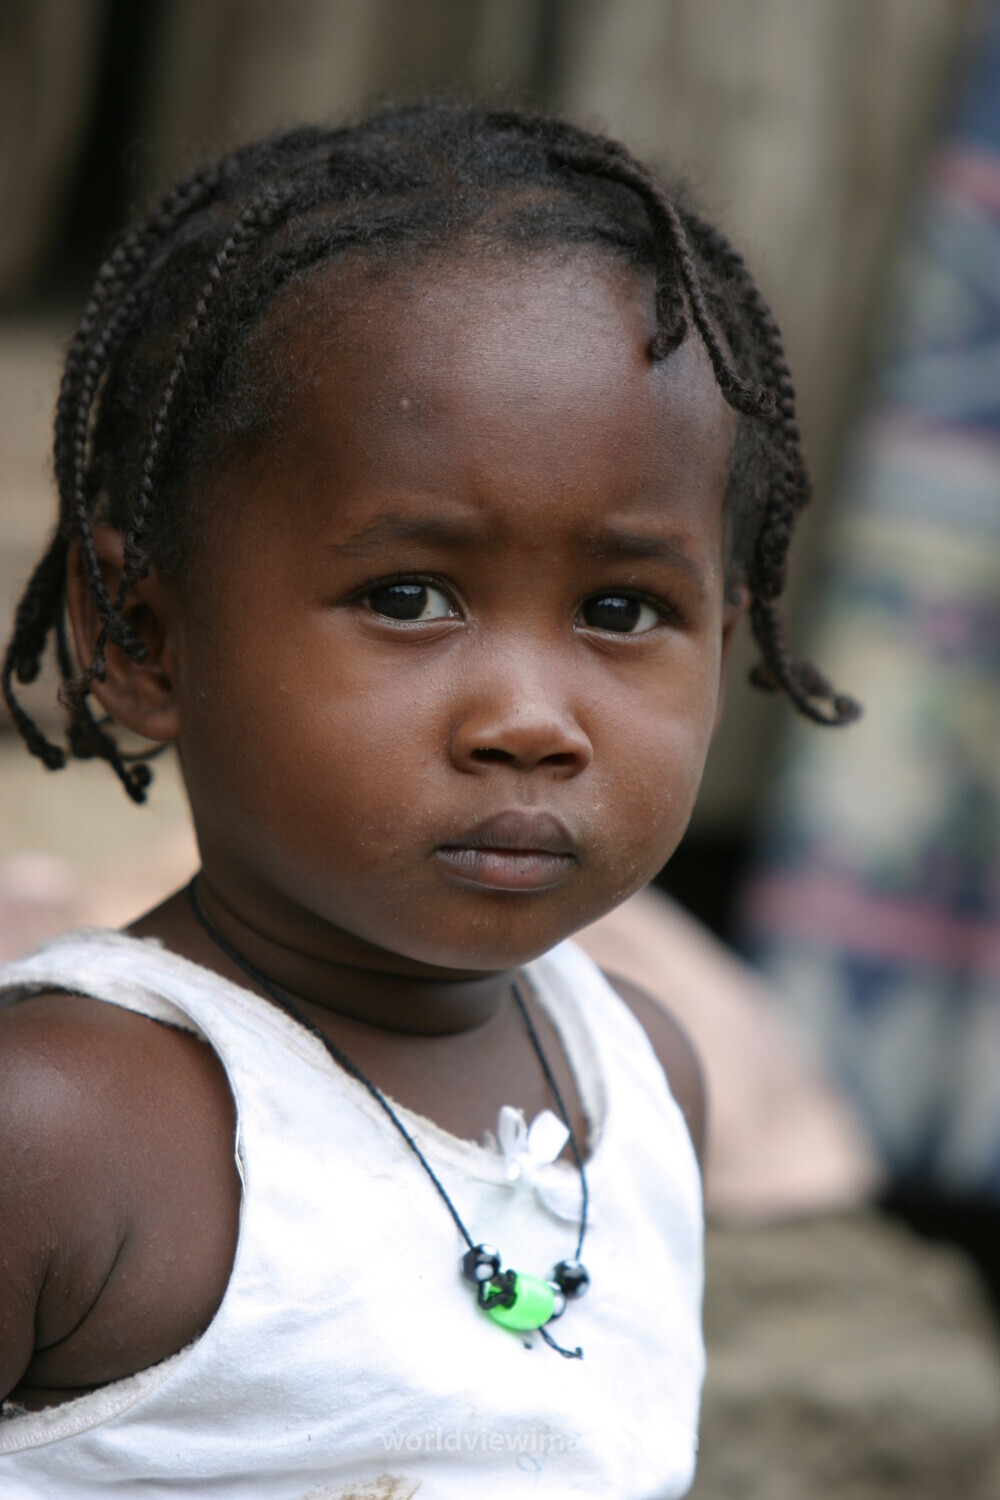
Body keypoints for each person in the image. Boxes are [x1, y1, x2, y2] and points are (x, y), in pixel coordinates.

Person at [0, 102, 856, 1498]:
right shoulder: (56, 1124)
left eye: (622, 610)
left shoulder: (646, 1081)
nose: (531, 719)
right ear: (143, 643)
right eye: (408, 597)